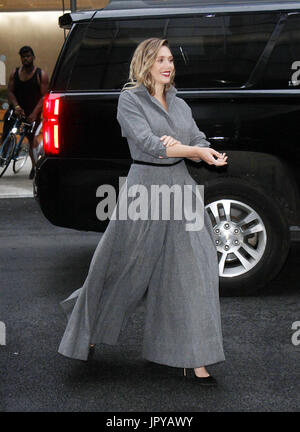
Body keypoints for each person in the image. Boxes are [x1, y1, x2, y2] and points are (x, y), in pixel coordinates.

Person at [58, 38, 228, 386]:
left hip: (180, 190)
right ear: (145, 63)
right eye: (160, 59)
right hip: (144, 191)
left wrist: (202, 151)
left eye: (170, 59)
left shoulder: (178, 103)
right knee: (121, 268)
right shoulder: (129, 100)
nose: (168, 65)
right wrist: (187, 150)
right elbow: (151, 146)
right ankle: (88, 327)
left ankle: (194, 359)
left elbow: (197, 138)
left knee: (196, 269)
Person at [2, 46, 48, 179]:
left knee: (31, 137)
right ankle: (3, 156)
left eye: (28, 56)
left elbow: (44, 97)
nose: (26, 58)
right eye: (23, 56)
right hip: (17, 109)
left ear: (33, 57)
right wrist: (16, 106)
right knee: (6, 132)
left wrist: (34, 114)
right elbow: (10, 92)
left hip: (32, 111)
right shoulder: (14, 73)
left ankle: (34, 166)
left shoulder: (41, 75)